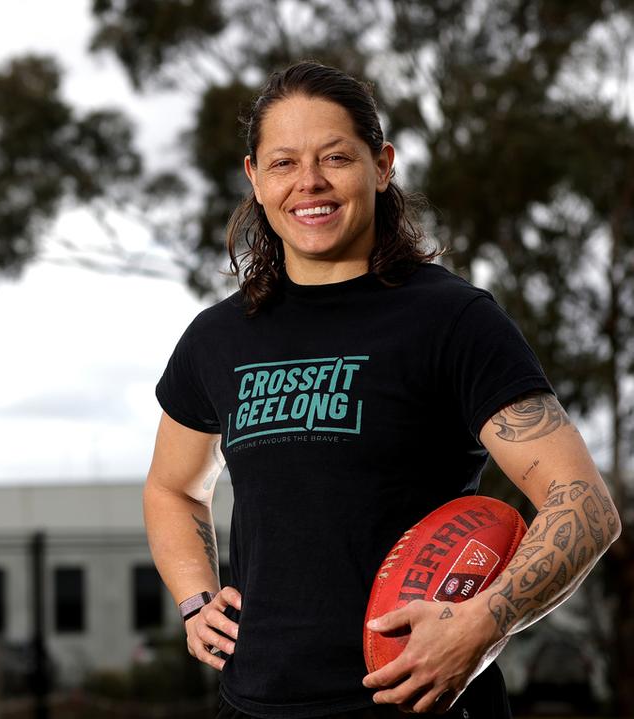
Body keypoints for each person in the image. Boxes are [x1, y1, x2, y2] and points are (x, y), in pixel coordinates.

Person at [144, 61, 621, 719]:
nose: (307, 181)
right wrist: (196, 598)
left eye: (334, 157)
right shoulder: (217, 337)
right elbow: (172, 486)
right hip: (253, 702)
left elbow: (584, 503)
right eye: (282, 163)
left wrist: (481, 624)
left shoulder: (452, 319)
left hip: (418, 698)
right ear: (254, 178)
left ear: (381, 165)